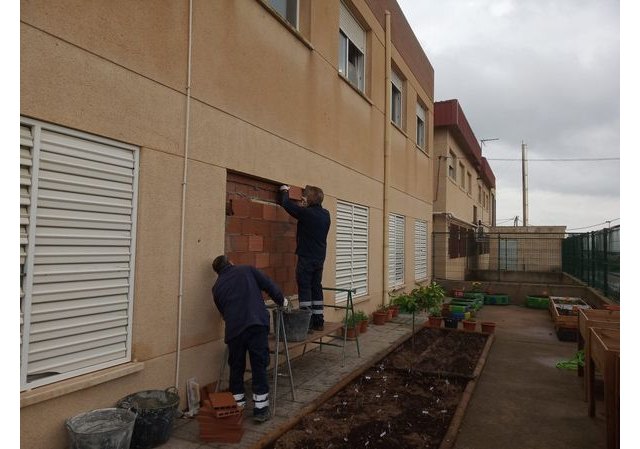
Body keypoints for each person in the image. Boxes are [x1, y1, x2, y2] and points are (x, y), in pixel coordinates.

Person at [211, 255, 286, 423]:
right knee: (259, 364)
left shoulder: (216, 288)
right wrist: (282, 301)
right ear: (230, 262)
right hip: (255, 324)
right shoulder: (247, 269)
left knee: (236, 367)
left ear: (218, 272)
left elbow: (223, 313)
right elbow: (269, 285)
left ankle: (237, 407)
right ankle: (261, 410)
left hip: (234, 331)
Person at [277, 184, 331, 331]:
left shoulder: (307, 214)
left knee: (305, 287)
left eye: (305, 196)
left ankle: (307, 323)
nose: (302, 198)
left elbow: (286, 204)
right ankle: (318, 321)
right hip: (319, 258)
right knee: (316, 287)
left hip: (306, 257)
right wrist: (305, 206)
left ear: (311, 199)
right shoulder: (326, 214)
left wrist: (284, 190)